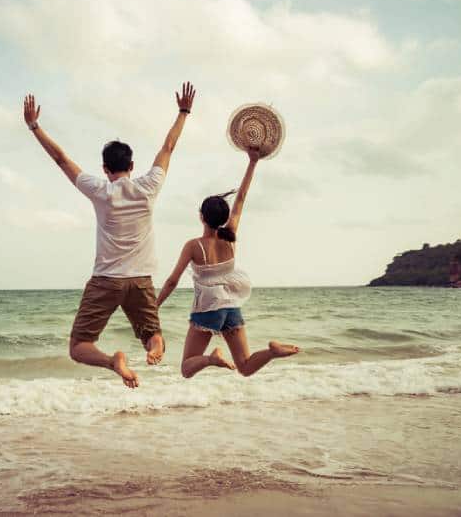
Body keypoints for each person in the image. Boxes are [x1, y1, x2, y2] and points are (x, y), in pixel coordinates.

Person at [23, 82, 197, 388]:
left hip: (106, 279)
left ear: (105, 169)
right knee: (152, 335)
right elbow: (167, 148)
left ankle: (111, 362)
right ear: (132, 165)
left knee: (78, 346)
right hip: (141, 280)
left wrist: (34, 126)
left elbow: (61, 159)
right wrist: (183, 112)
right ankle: (154, 347)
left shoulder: (100, 191)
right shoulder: (148, 187)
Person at [155, 149, 299, 379]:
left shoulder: (194, 245)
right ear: (223, 218)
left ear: (201, 216)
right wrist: (253, 162)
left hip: (208, 309)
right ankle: (272, 352)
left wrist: (155, 306)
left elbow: (172, 280)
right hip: (231, 306)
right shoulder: (230, 236)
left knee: (186, 368)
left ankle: (212, 359)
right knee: (245, 366)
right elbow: (241, 198)